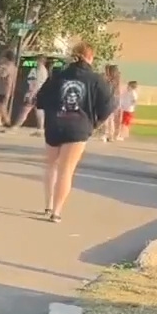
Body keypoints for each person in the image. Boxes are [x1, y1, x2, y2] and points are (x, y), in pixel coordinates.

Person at [35, 42, 116, 223]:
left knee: (50, 165)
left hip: (55, 124)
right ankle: (56, 211)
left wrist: (51, 112)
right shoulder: (96, 79)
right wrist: (95, 122)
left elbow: (40, 99)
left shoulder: (58, 75)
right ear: (90, 57)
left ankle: (47, 204)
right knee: (66, 170)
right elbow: (110, 104)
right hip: (79, 126)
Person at [10, 54, 49, 135]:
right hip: (39, 93)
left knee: (25, 109)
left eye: (37, 60)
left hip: (34, 93)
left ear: (40, 61)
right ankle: (40, 129)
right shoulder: (42, 70)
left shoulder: (39, 70)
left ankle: (16, 125)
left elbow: (36, 83)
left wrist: (31, 94)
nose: (35, 61)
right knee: (38, 111)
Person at [101, 64, 123, 142]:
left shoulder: (110, 80)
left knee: (108, 117)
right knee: (111, 118)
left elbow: (113, 90)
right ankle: (110, 135)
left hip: (111, 98)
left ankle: (106, 134)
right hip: (115, 98)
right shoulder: (116, 79)